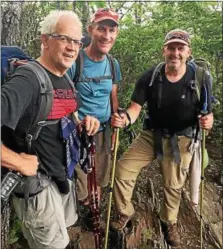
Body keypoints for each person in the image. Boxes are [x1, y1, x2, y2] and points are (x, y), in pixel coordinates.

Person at [1, 10, 100, 249]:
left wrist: (84, 124)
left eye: (77, 41)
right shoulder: (27, 81)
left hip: (60, 178)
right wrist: (17, 161)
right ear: (44, 40)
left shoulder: (63, 77)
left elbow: (56, 117)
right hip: (37, 190)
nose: (72, 47)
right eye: (64, 38)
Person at [110, 29, 214, 247]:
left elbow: (208, 112)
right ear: (164, 50)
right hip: (151, 135)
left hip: (183, 138)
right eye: (171, 48)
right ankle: (125, 211)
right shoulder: (151, 77)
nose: (175, 53)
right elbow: (135, 108)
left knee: (173, 184)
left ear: (188, 52)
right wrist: (125, 119)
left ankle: (169, 221)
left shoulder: (200, 78)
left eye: (180, 48)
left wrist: (208, 121)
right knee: (123, 169)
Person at [68, 8, 122, 204]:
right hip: (78, 134)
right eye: (102, 29)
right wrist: (78, 121)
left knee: (99, 179)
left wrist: (115, 127)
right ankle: (82, 209)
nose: (106, 36)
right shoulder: (76, 61)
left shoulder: (113, 64)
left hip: (104, 131)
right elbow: (62, 98)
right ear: (91, 30)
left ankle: (94, 210)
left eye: (111, 30)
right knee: (82, 188)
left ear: (116, 34)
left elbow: (112, 96)